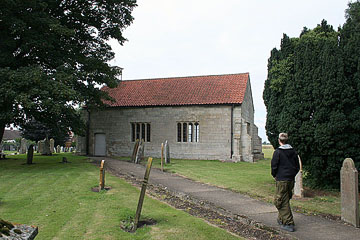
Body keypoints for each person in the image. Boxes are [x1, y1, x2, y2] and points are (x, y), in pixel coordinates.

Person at [271, 133, 300, 232]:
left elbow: (274, 166)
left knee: (279, 201)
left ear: (279, 140)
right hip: (290, 180)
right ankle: (281, 219)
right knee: (285, 198)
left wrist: (275, 175)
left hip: (281, 180)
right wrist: (291, 175)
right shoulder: (293, 152)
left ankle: (288, 223)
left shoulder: (278, 152)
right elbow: (297, 167)